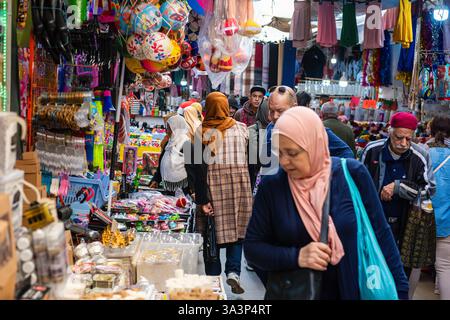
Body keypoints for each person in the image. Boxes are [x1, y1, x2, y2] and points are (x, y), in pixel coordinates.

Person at [244, 107, 409, 299]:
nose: (284, 161)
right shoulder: (273, 187)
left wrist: (401, 292)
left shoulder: (352, 175)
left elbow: (382, 236)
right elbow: (253, 248)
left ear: (315, 143)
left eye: (292, 153)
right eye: (278, 153)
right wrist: (297, 257)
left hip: (350, 290)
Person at [193, 92, 253, 294]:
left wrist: (202, 199)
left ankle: (213, 278)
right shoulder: (242, 129)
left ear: (207, 108)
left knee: (213, 230)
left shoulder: (201, 132)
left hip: (213, 187)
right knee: (237, 230)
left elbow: (197, 168)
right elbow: (253, 161)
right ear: (227, 107)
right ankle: (233, 272)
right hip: (239, 187)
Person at [360, 112, 436, 252]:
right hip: (373, 222)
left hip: (405, 226)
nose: (404, 143)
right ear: (390, 132)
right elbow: (357, 186)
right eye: (399, 138)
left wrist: (399, 187)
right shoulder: (372, 151)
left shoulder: (420, 156)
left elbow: (429, 190)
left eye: (408, 138)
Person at [262, 86, 354, 177]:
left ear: (294, 107)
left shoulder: (311, 128)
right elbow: (266, 168)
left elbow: (346, 154)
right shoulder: (271, 128)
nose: (275, 116)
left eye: (280, 111)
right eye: (271, 111)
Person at [427, 116, 450, 300]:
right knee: (444, 266)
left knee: (414, 265)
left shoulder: (421, 152)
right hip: (446, 221)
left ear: (430, 131)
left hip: (420, 217)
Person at [150, 115, 195, 196]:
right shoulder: (169, 144)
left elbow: (192, 170)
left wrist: (193, 190)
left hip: (183, 191)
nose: (167, 131)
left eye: (169, 128)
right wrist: (156, 179)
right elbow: (162, 163)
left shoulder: (187, 145)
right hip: (168, 188)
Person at [248, 100, 270, 189]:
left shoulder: (277, 129)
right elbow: (253, 159)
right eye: (270, 111)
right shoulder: (252, 131)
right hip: (254, 178)